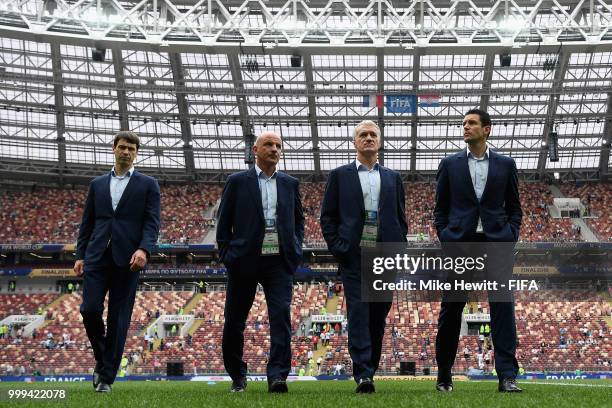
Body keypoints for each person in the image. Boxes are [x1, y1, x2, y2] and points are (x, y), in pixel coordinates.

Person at [433, 109, 522, 393]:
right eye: (463, 124)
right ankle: (444, 375)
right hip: (461, 244)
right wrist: (447, 237)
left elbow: (515, 208)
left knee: (503, 308)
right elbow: (440, 209)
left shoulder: (506, 164)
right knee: (451, 307)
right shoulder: (450, 164)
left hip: (497, 243)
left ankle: (507, 376)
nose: (465, 127)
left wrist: (510, 235)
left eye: (471, 123)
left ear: (487, 129)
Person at [320, 120, 408, 393]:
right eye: (363, 135)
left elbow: (400, 218)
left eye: (373, 135)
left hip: (385, 256)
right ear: (354, 142)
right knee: (358, 313)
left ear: (380, 142)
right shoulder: (339, 175)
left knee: (378, 315)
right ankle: (363, 374)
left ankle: (370, 367)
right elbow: (328, 218)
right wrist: (341, 248)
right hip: (354, 256)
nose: (368, 138)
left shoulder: (393, 177)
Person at [216, 131, 304, 394]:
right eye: (268, 144)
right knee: (234, 320)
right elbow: (224, 223)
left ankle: (277, 375)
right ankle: (237, 376)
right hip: (243, 261)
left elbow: (298, 221)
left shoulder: (290, 183)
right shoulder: (237, 181)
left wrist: (295, 249)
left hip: (279, 261)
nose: (274, 149)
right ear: (255, 150)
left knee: (280, 317)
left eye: (278, 145)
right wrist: (228, 256)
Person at [74, 131, 161, 393]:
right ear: (114, 148)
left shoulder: (148, 184)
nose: (126, 152)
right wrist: (80, 255)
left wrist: (144, 249)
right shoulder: (97, 184)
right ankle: (104, 360)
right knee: (89, 309)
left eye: (131, 149)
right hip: (96, 255)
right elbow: (87, 223)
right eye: (122, 147)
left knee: (118, 318)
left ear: (136, 153)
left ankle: (106, 378)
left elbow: (152, 222)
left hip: (128, 259)